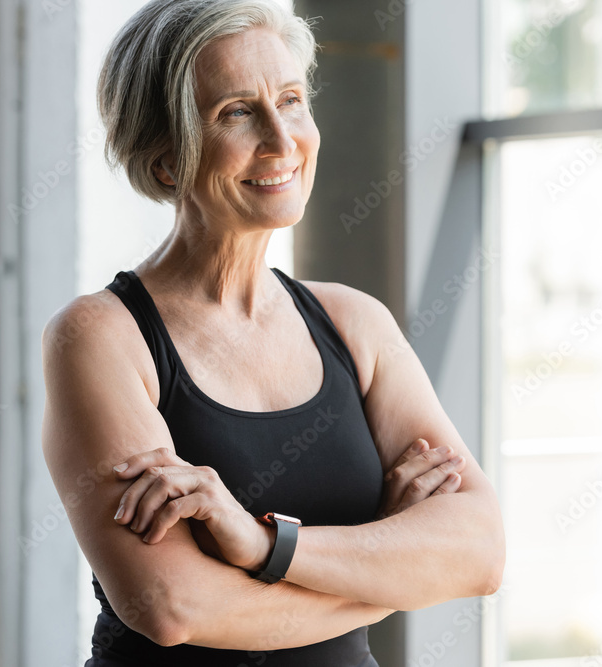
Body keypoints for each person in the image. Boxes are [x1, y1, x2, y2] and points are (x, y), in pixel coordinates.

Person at [40, 1, 505, 664]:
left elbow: (481, 550)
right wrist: (393, 560)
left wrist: (262, 543)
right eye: (236, 111)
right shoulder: (98, 337)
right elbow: (172, 607)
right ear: (167, 158)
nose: (283, 141)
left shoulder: (355, 322)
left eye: (290, 100)